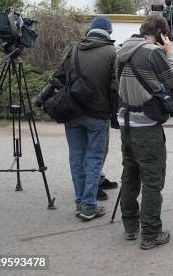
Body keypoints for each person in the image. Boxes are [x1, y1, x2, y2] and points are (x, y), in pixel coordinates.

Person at [116, 14, 173, 250]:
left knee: (130, 173)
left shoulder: (121, 51)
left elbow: (116, 84)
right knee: (152, 179)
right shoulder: (153, 53)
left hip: (125, 122)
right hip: (147, 124)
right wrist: (169, 52)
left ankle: (130, 226)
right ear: (162, 33)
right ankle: (151, 233)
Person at [54, 16, 118, 221]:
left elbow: (58, 77)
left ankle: (80, 201)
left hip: (72, 113)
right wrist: (115, 115)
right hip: (98, 115)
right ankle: (89, 206)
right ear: (108, 32)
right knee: (93, 158)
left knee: (76, 157)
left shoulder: (73, 49)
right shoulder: (111, 52)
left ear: (90, 31)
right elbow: (115, 88)